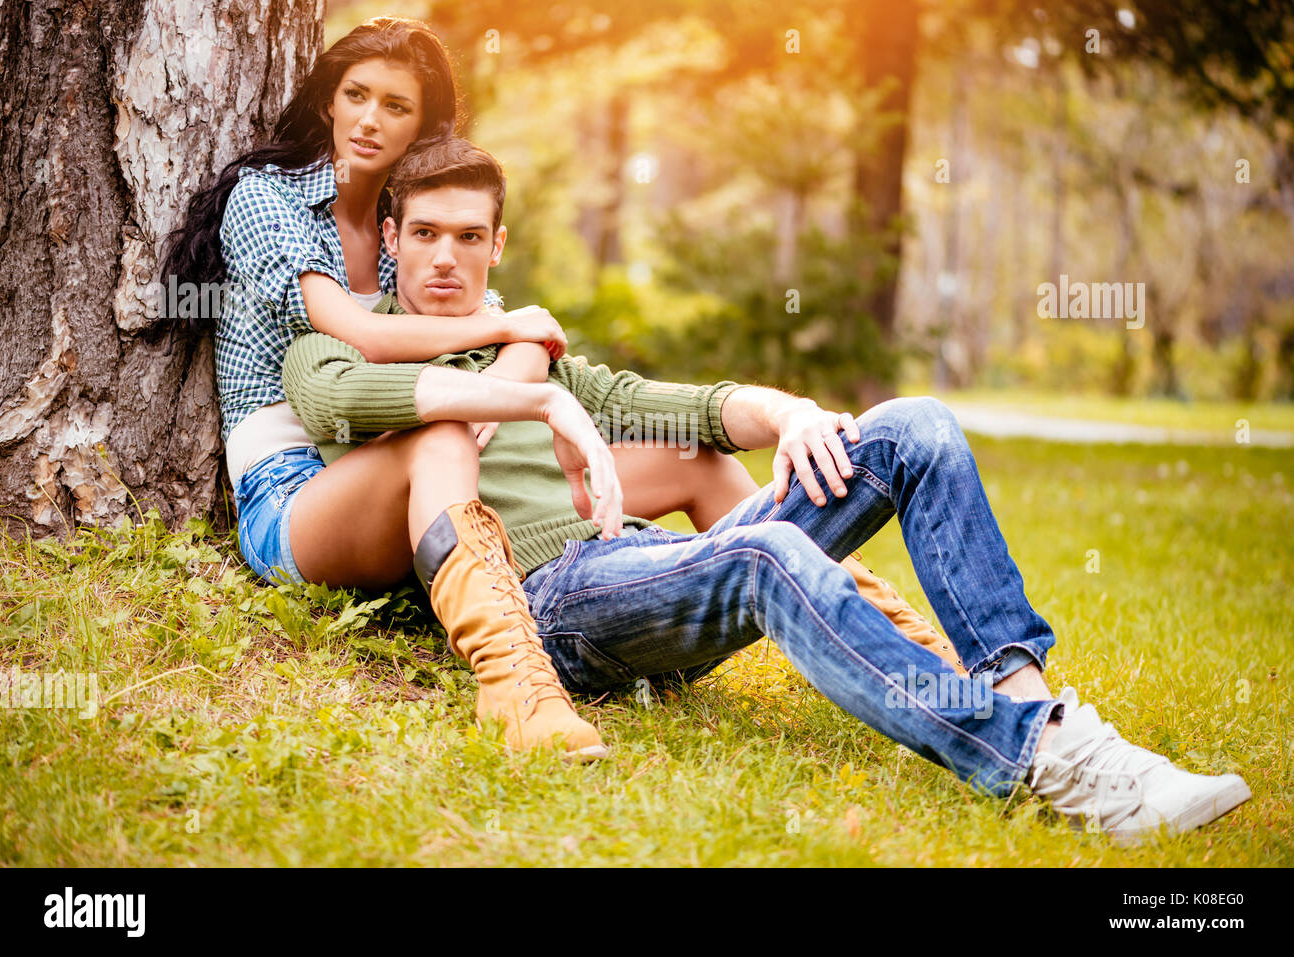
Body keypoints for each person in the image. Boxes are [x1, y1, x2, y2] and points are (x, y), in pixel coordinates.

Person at [281, 136, 1252, 843]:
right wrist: (520, 387)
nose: (444, 259)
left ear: (498, 248)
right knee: (766, 550)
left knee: (913, 426)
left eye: (468, 237)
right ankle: (1036, 765)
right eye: (425, 236)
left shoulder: (539, 353)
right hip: (556, 606)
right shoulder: (339, 353)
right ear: (393, 241)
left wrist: (788, 413)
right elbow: (340, 406)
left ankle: (1032, 703)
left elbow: (687, 407)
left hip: (640, 565)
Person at [161, 17, 954, 760]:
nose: (369, 120)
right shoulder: (276, 205)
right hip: (302, 473)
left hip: (419, 456)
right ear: (329, 100)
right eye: (355, 95)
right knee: (441, 436)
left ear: (425, 127)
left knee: (689, 457)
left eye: (396, 105)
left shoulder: (417, 211)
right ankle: (512, 681)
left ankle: (920, 652)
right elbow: (360, 348)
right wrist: (522, 369)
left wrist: (531, 371)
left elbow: (536, 355)